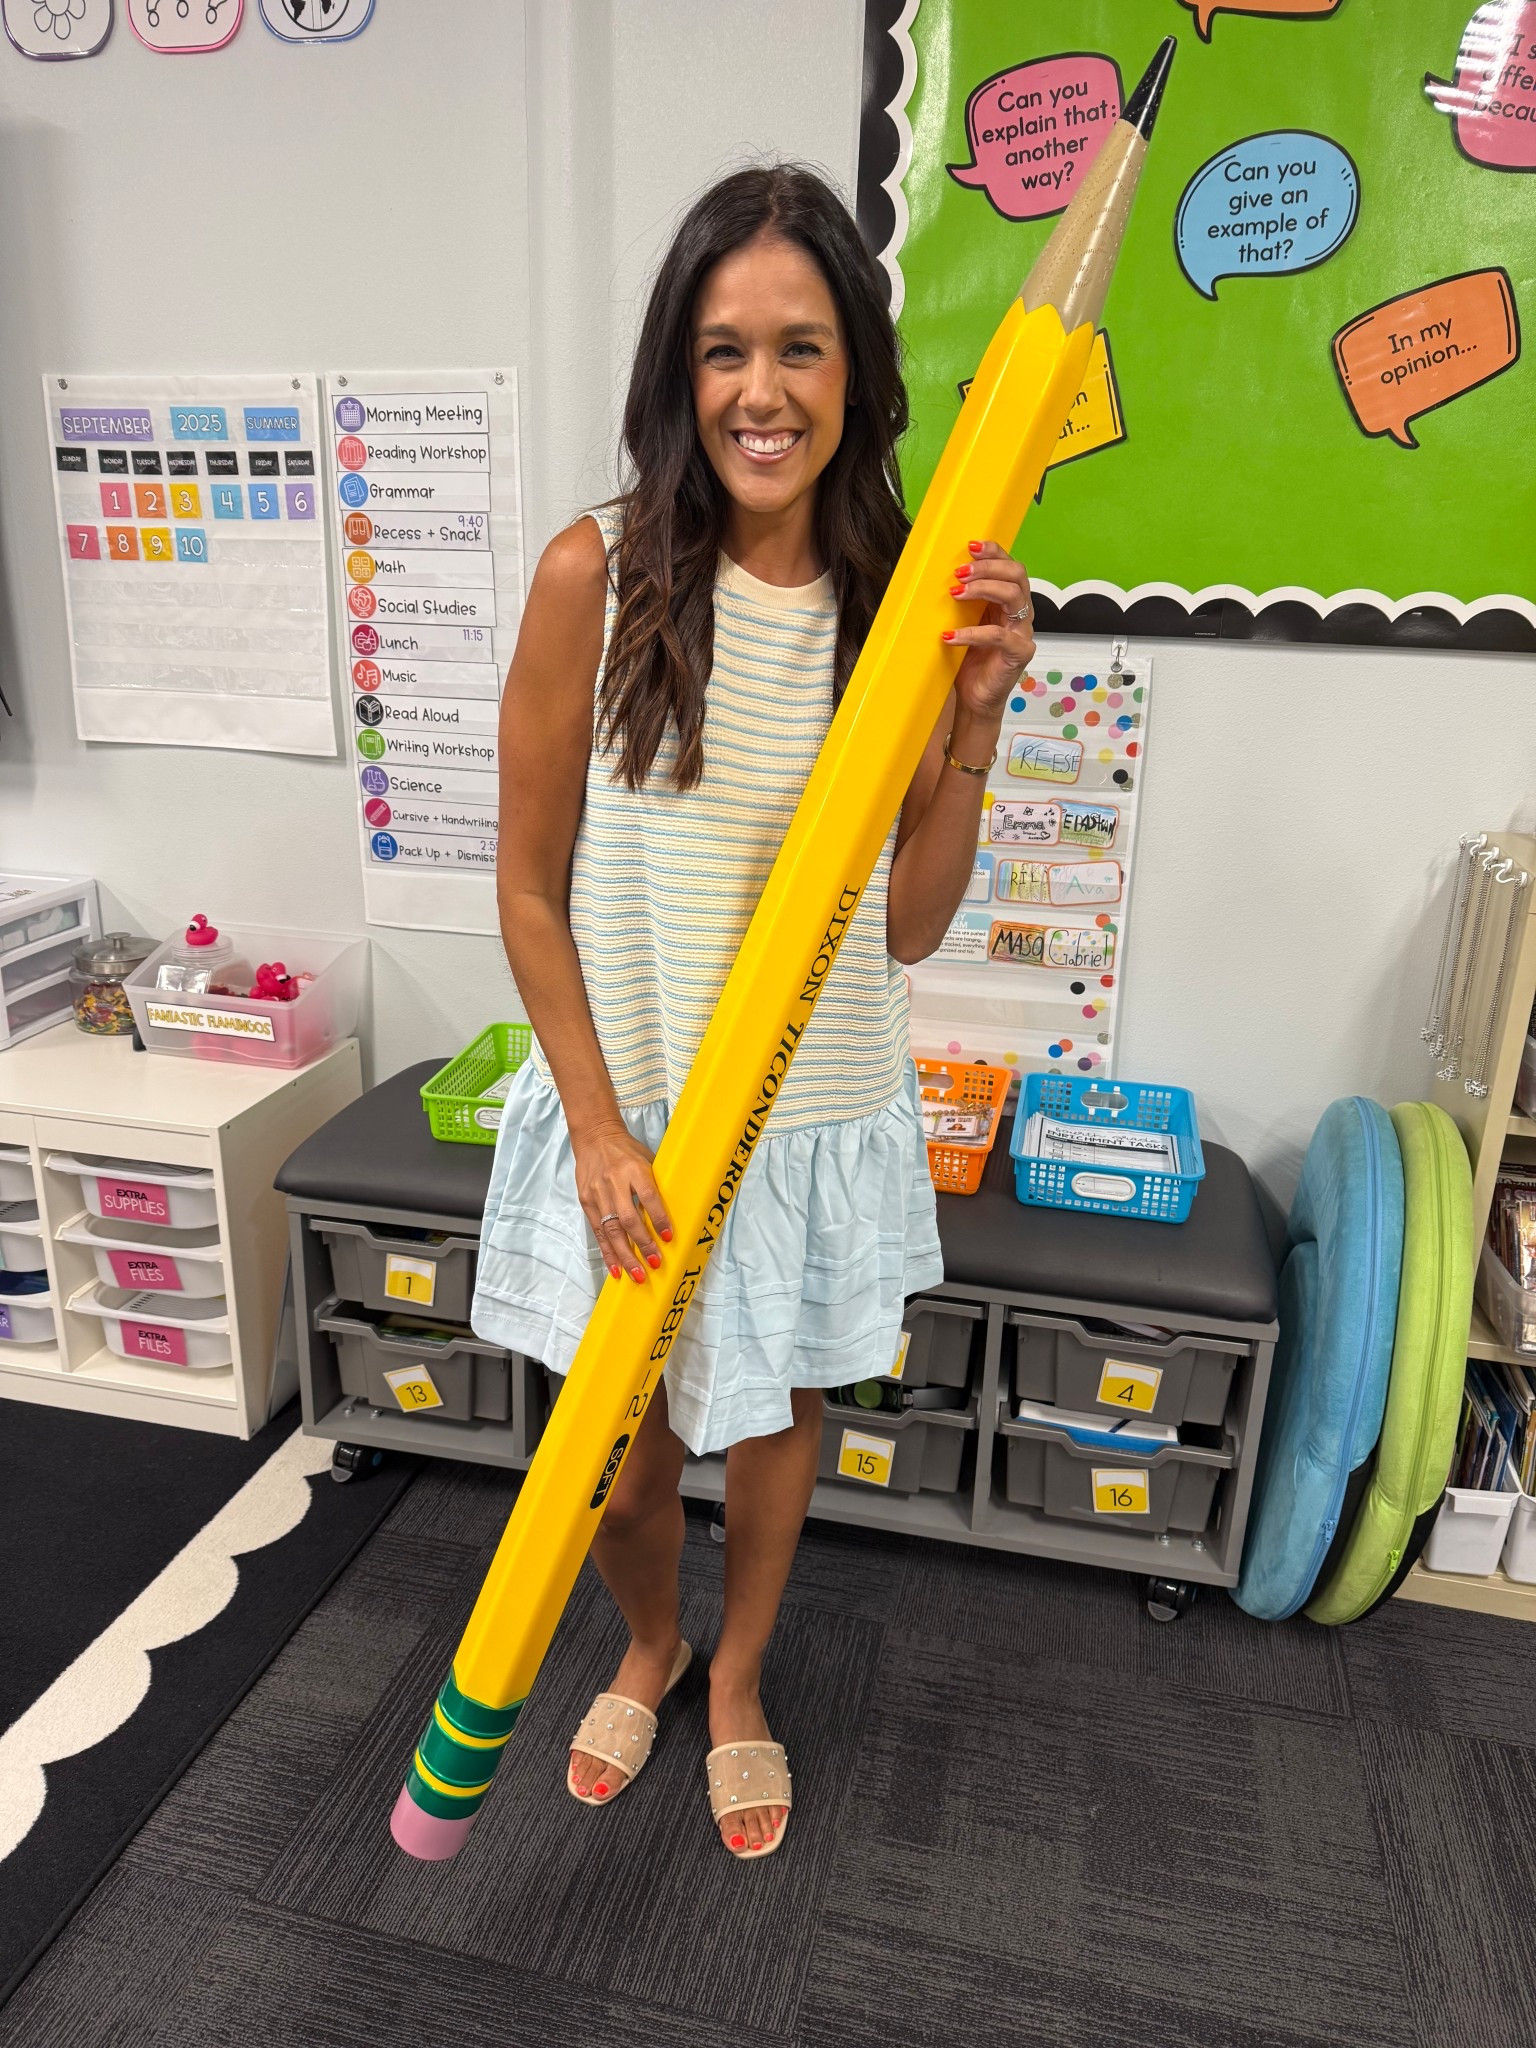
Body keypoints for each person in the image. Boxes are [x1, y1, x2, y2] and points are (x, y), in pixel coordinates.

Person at [472, 163, 1034, 1861]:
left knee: (779, 1425)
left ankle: (740, 1677)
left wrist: (981, 718)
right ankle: (651, 1637)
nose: (762, 394)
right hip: (632, 1123)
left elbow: (914, 922)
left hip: (808, 1114)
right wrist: (586, 1118)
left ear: (855, 371)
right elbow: (523, 885)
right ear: (679, 373)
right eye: (725, 351)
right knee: (626, 1465)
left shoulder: (905, 609)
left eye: (800, 348)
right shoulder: (601, 574)